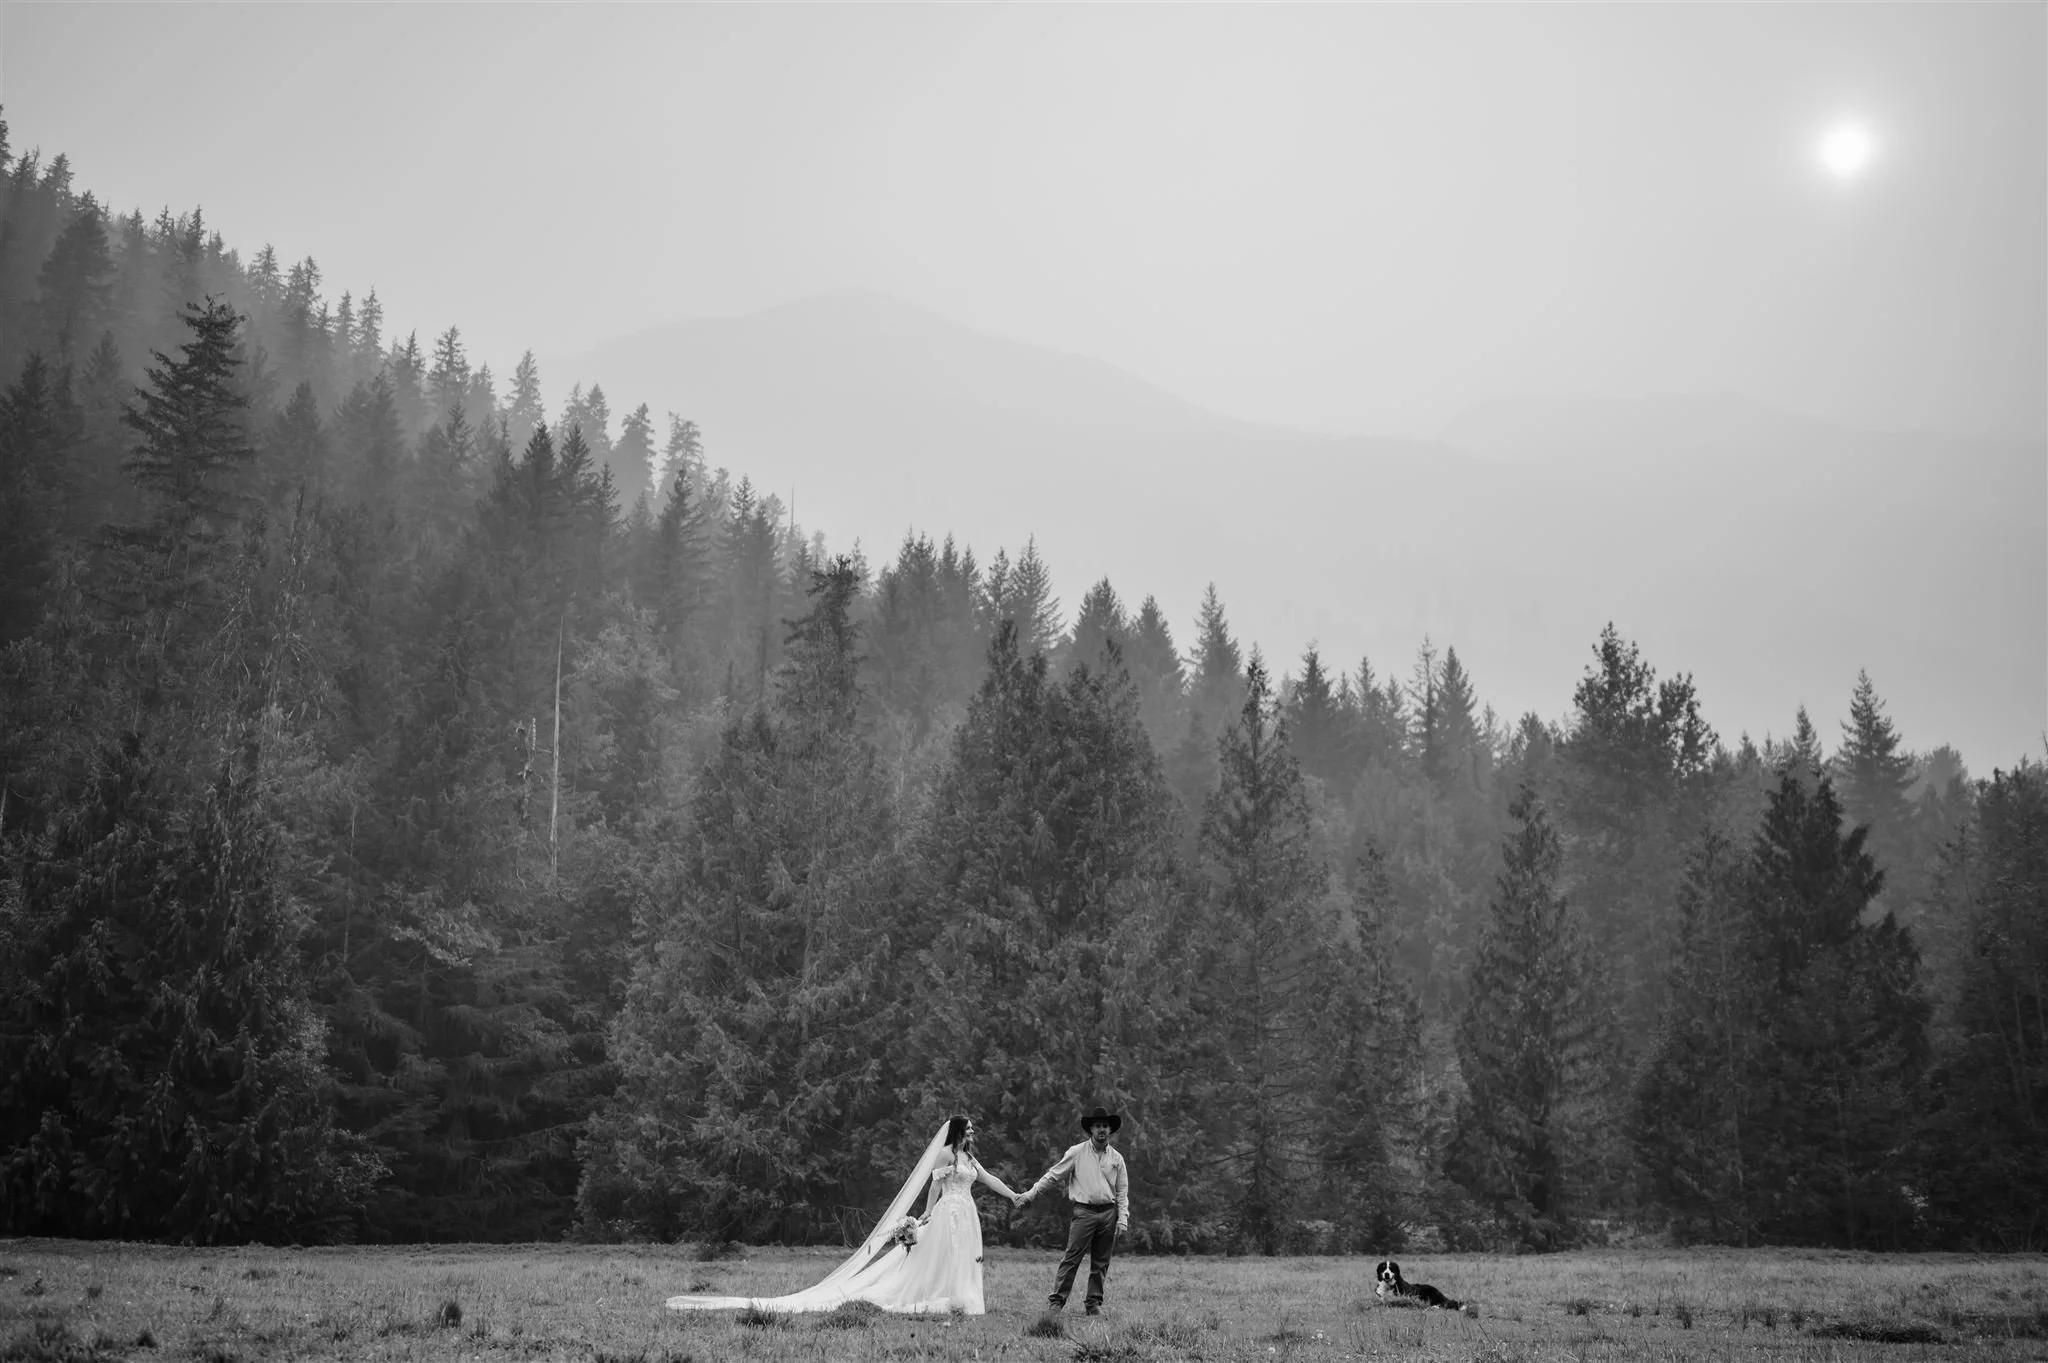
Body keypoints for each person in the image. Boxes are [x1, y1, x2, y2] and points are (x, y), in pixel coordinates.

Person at [666, 1115, 1022, 1315]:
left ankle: (962, 1296)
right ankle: (944, 1296)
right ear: (959, 1132)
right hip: (947, 1212)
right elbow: (932, 1187)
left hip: (967, 1213)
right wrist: (926, 1215)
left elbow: (989, 1179)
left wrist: (1015, 1196)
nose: (974, 1132)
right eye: (970, 1128)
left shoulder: (970, 1159)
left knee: (963, 1256)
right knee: (943, 1254)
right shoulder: (946, 1156)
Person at [1016, 1105, 1129, 1316]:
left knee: (1101, 1261)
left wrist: (1122, 1218)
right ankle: (1056, 1302)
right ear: (1091, 1130)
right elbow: (1053, 1175)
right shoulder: (1077, 1152)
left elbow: (1122, 1192)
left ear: (1110, 1130)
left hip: (1108, 1213)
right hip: (1084, 1211)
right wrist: (1031, 1193)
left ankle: (1093, 1303)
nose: (1102, 1130)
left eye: (1105, 1126)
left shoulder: (1117, 1159)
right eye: (1097, 1126)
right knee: (1071, 1258)